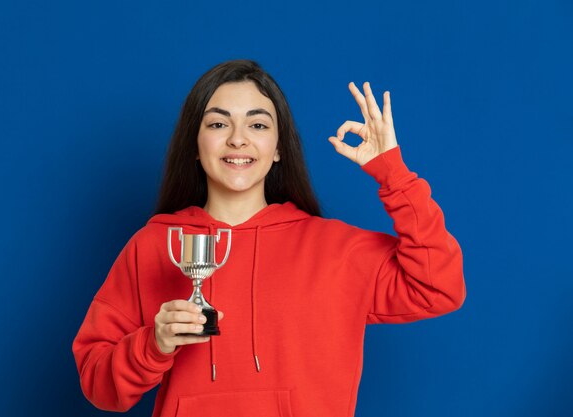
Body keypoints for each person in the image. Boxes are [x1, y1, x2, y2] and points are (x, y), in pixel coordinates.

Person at [72, 59, 466, 417]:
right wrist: (153, 344)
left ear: (278, 149)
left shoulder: (336, 250)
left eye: (257, 124)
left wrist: (393, 175)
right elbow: (98, 384)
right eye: (218, 123)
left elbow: (439, 286)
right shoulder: (155, 246)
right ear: (195, 144)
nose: (238, 139)